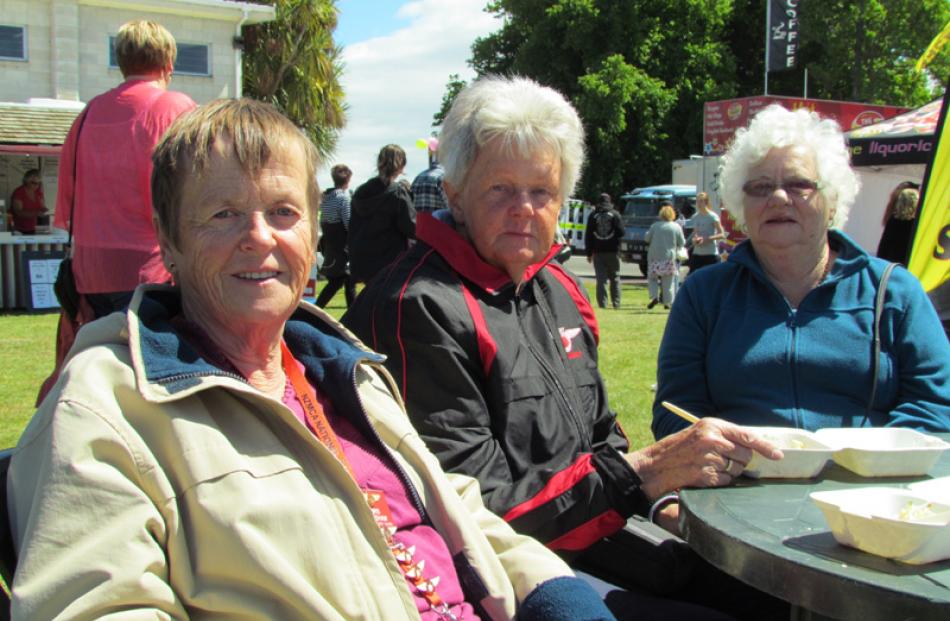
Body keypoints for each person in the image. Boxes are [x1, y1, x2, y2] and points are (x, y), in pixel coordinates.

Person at [8, 98, 615, 621]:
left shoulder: (343, 371)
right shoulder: (109, 402)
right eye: (223, 214)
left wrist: (559, 598)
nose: (260, 236)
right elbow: (96, 603)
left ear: (314, 236)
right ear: (168, 240)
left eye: (283, 212)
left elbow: (456, 509)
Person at [343, 76, 784, 620]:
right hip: (501, 577)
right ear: (455, 192)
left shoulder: (556, 286)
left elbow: (602, 434)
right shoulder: (417, 305)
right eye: (500, 189)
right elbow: (478, 518)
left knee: (773, 591)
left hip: (594, 537)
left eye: (542, 192)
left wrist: (660, 497)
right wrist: (642, 474)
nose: (524, 209)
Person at [653, 104, 950, 440]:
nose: (779, 197)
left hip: (868, 486)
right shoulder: (703, 295)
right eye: (761, 187)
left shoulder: (895, 292)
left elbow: (935, 408)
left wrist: (869, 460)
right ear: (740, 204)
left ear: (832, 200)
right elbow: (674, 413)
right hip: (739, 485)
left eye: (798, 185)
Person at [54, 19, 197, 319]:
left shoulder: (89, 112)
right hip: (152, 269)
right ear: (168, 63)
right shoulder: (174, 108)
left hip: (90, 273)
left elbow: (68, 194)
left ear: (120, 61)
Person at [348, 144, 416, 283]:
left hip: (363, 260)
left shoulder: (361, 191)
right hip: (390, 261)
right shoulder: (397, 193)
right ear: (401, 166)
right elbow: (412, 227)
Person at [315, 163, 356, 308]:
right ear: (347, 180)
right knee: (342, 280)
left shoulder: (326, 199)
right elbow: (349, 224)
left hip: (331, 244)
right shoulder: (343, 199)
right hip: (342, 246)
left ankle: (353, 310)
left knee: (347, 280)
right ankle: (319, 306)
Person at [585, 192, 624, 309]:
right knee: (615, 277)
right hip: (613, 251)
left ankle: (602, 303)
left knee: (601, 279)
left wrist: (589, 253)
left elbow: (588, 236)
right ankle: (616, 303)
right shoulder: (615, 215)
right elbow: (622, 232)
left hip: (598, 251)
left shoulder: (593, 215)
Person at [645, 204, 686, 310]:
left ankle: (654, 297)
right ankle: (667, 302)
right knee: (668, 282)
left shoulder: (655, 226)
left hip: (654, 257)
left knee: (653, 279)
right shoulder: (676, 227)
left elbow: (647, 239)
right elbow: (682, 242)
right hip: (669, 258)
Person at [876, 184, 919, 266]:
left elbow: (884, 245)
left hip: (890, 263)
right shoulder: (915, 224)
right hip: (907, 264)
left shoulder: (892, 219)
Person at [686, 192, 724, 273]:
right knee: (693, 278)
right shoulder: (695, 217)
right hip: (697, 254)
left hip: (711, 254)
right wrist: (695, 240)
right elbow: (695, 233)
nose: (699, 204)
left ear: (706, 202)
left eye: (701, 201)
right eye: (697, 201)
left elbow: (722, 234)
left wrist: (706, 239)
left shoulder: (713, 216)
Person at [8, 169, 48, 234]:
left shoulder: (38, 192)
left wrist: (47, 212)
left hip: (35, 228)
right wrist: (36, 213)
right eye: (34, 183)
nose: (37, 185)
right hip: (19, 229)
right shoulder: (19, 192)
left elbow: (43, 207)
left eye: (39, 183)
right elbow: (18, 212)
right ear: (27, 181)